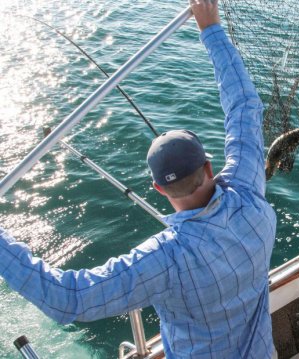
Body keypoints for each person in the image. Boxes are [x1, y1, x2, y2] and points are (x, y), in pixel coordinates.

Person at [0, 0, 276, 357]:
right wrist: (211, 28)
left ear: (158, 189)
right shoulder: (249, 191)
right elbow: (244, 105)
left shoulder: (167, 259)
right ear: (208, 168)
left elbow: (70, 299)